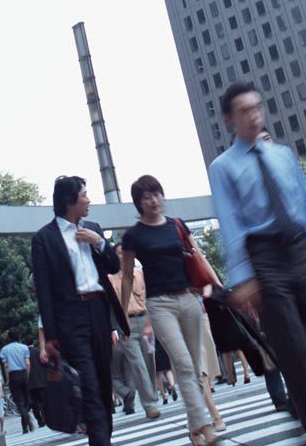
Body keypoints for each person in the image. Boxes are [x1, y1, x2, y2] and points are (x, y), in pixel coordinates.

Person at [208, 82, 306, 446]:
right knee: (293, 353)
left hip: (303, 251)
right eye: (244, 110)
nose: (254, 115)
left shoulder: (283, 154)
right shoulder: (224, 167)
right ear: (230, 119)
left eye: (257, 107)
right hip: (266, 260)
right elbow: (230, 222)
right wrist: (244, 277)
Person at [30, 176, 129, 446]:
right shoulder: (44, 239)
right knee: (89, 386)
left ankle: (102, 439)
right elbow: (44, 290)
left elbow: (113, 267)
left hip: (99, 311)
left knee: (104, 383)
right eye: (84, 195)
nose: (89, 200)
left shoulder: (93, 228)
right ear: (69, 201)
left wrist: (99, 242)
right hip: (71, 318)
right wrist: (50, 336)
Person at [119, 175, 213, 444]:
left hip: (188, 299)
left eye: (156, 193)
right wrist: (124, 314)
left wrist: (213, 286)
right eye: (147, 196)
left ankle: (194, 427)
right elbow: (126, 276)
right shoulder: (133, 235)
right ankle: (205, 425)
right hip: (160, 305)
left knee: (195, 367)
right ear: (139, 203)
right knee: (182, 363)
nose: (154, 199)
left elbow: (197, 256)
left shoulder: (176, 225)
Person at [109, 246, 163, 420]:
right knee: (138, 365)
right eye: (119, 253)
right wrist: (114, 329)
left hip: (146, 321)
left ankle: (152, 398)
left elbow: (149, 299)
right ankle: (150, 404)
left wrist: (151, 322)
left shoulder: (140, 274)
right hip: (126, 326)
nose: (123, 256)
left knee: (150, 361)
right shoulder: (109, 279)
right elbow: (110, 307)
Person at [0, 331, 34, 434]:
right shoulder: (24, 348)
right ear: (18, 336)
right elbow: (27, 363)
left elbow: (6, 366)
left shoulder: (4, 350)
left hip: (13, 376)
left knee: (19, 401)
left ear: (8, 338)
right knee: (27, 399)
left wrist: (8, 379)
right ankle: (27, 419)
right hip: (24, 374)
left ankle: (25, 425)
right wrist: (28, 375)